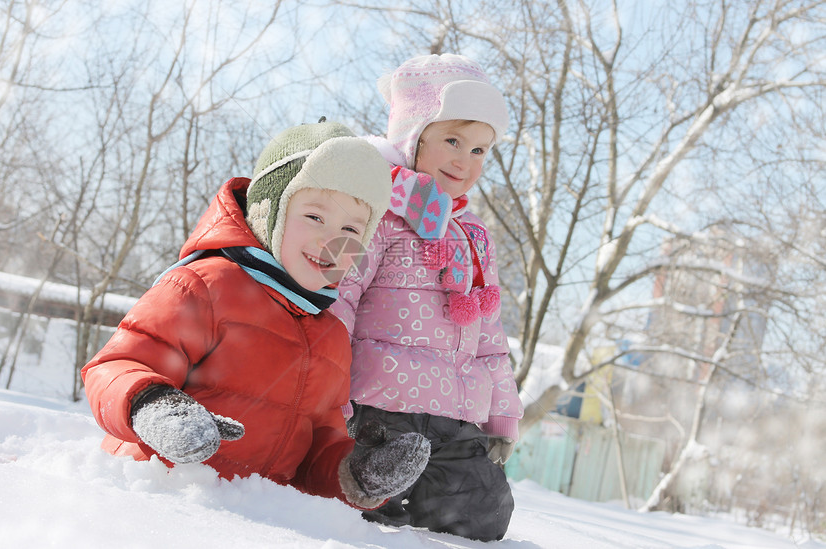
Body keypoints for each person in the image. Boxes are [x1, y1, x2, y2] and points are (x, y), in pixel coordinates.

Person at [81, 120, 431, 511]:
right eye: (314, 217)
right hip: (157, 501)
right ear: (269, 211)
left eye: (351, 228)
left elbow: (314, 453)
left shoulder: (331, 335)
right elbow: (116, 365)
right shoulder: (206, 285)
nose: (331, 241)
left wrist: (356, 472)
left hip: (247, 523)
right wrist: (156, 406)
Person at [331, 54, 524, 541]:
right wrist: (328, 395)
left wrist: (502, 414)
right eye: (453, 141)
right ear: (413, 136)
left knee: (483, 514)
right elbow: (338, 300)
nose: (466, 160)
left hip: (457, 418)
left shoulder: (473, 236)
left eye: (481, 150)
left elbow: (490, 334)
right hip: (380, 411)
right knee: (373, 519)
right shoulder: (372, 210)